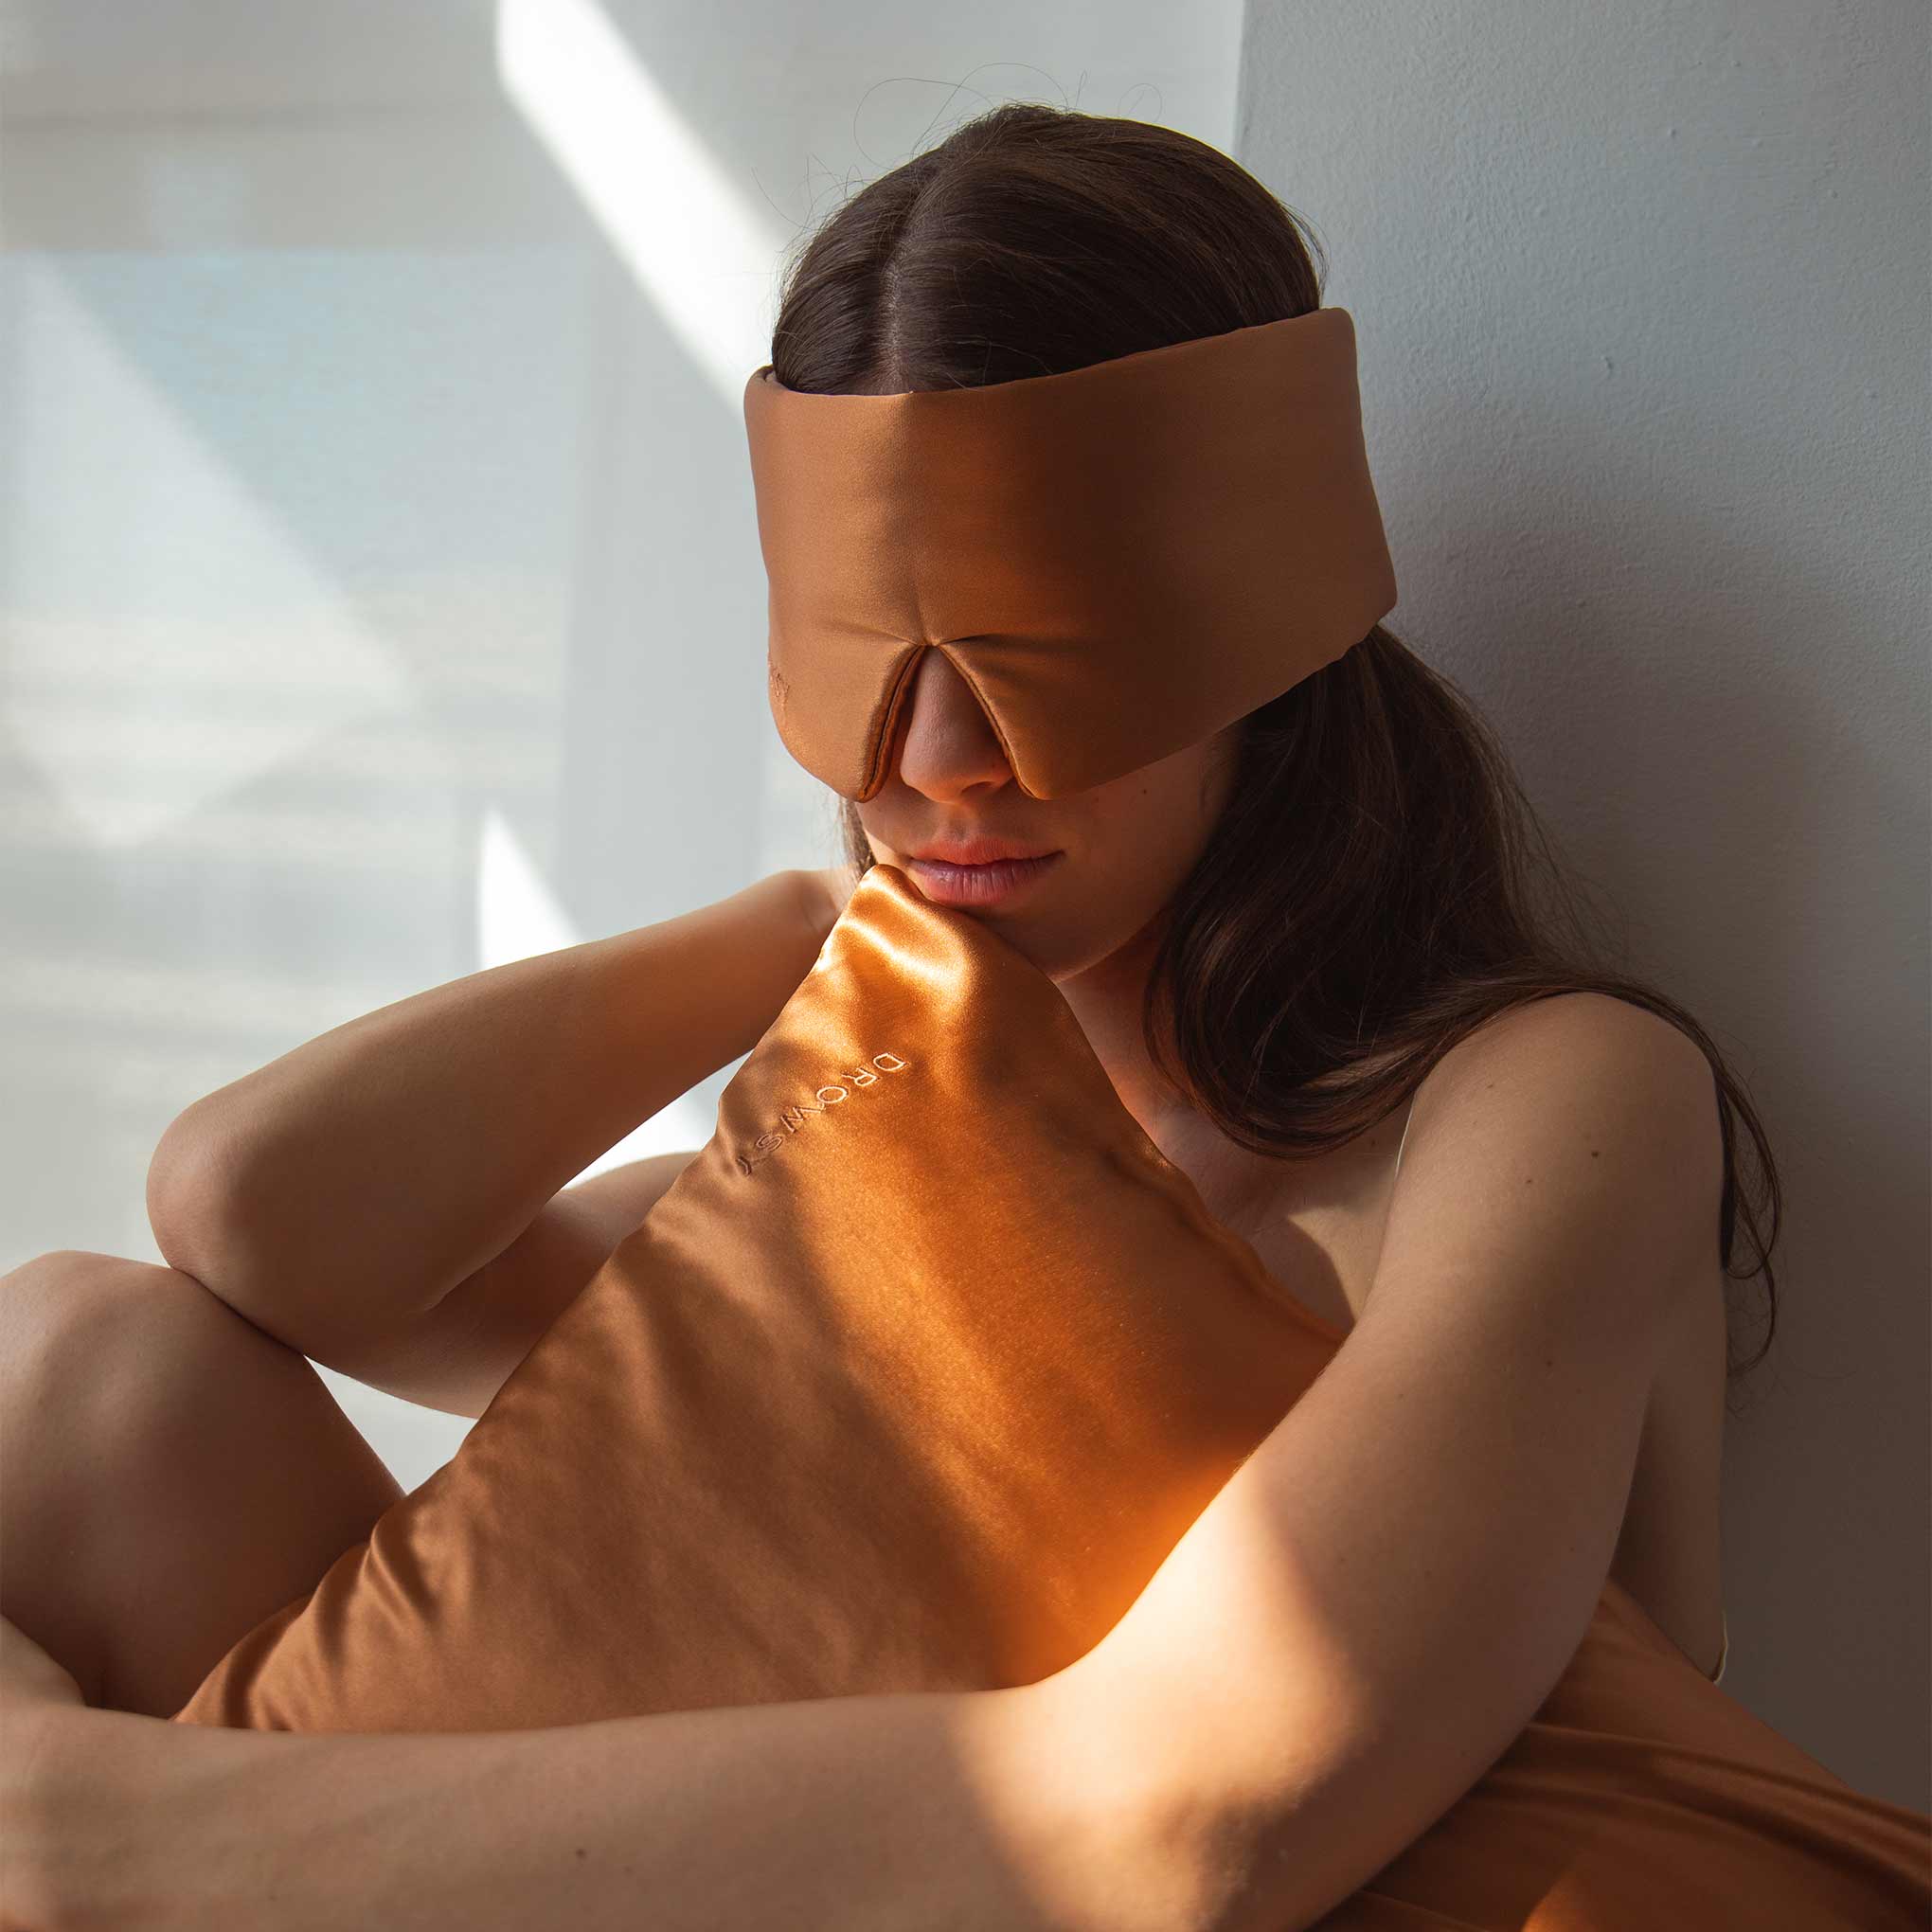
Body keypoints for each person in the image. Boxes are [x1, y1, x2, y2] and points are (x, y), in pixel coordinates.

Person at [3, 101, 1925, 1930]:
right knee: (75, 1367)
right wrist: (792, 925)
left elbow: (1187, 1822)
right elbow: (256, 1225)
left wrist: (116, 1846)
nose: (943, 762)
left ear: (1263, 611)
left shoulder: (1554, 1104)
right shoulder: (871, 1133)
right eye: (871, 659)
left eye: (1035, 652)